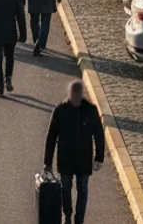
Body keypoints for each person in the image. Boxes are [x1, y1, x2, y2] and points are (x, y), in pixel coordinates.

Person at [44, 80, 105, 224]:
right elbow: (51, 136)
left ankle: (79, 219)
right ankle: (67, 215)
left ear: (82, 94)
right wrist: (47, 162)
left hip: (83, 159)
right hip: (66, 159)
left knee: (82, 189)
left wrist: (99, 157)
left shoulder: (90, 110)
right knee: (65, 189)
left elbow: (99, 134)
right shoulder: (61, 110)